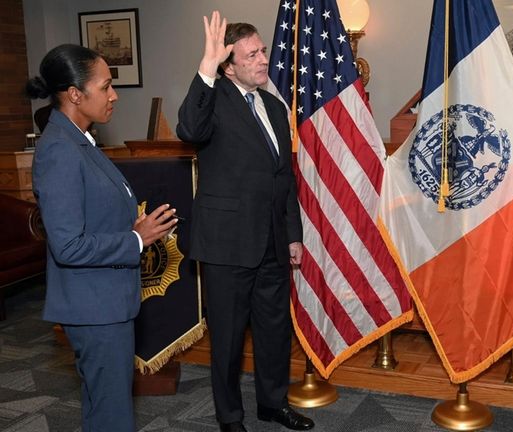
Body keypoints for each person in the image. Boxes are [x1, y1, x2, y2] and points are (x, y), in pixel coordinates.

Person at [28, 44, 177, 432]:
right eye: (106, 86)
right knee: (111, 414)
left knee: (106, 407)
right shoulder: (60, 149)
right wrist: (136, 239)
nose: (114, 95)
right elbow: (68, 245)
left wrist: (134, 224)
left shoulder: (81, 140)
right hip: (94, 309)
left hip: (106, 301)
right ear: (75, 94)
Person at [176, 11, 311, 432]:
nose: (263, 59)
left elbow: (283, 176)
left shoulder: (272, 104)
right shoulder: (213, 97)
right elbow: (188, 128)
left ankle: (273, 404)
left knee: (274, 333)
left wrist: (292, 233)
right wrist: (206, 65)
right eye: (251, 54)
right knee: (229, 340)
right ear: (229, 64)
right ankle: (229, 417)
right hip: (227, 245)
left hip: (272, 243)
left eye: (263, 50)